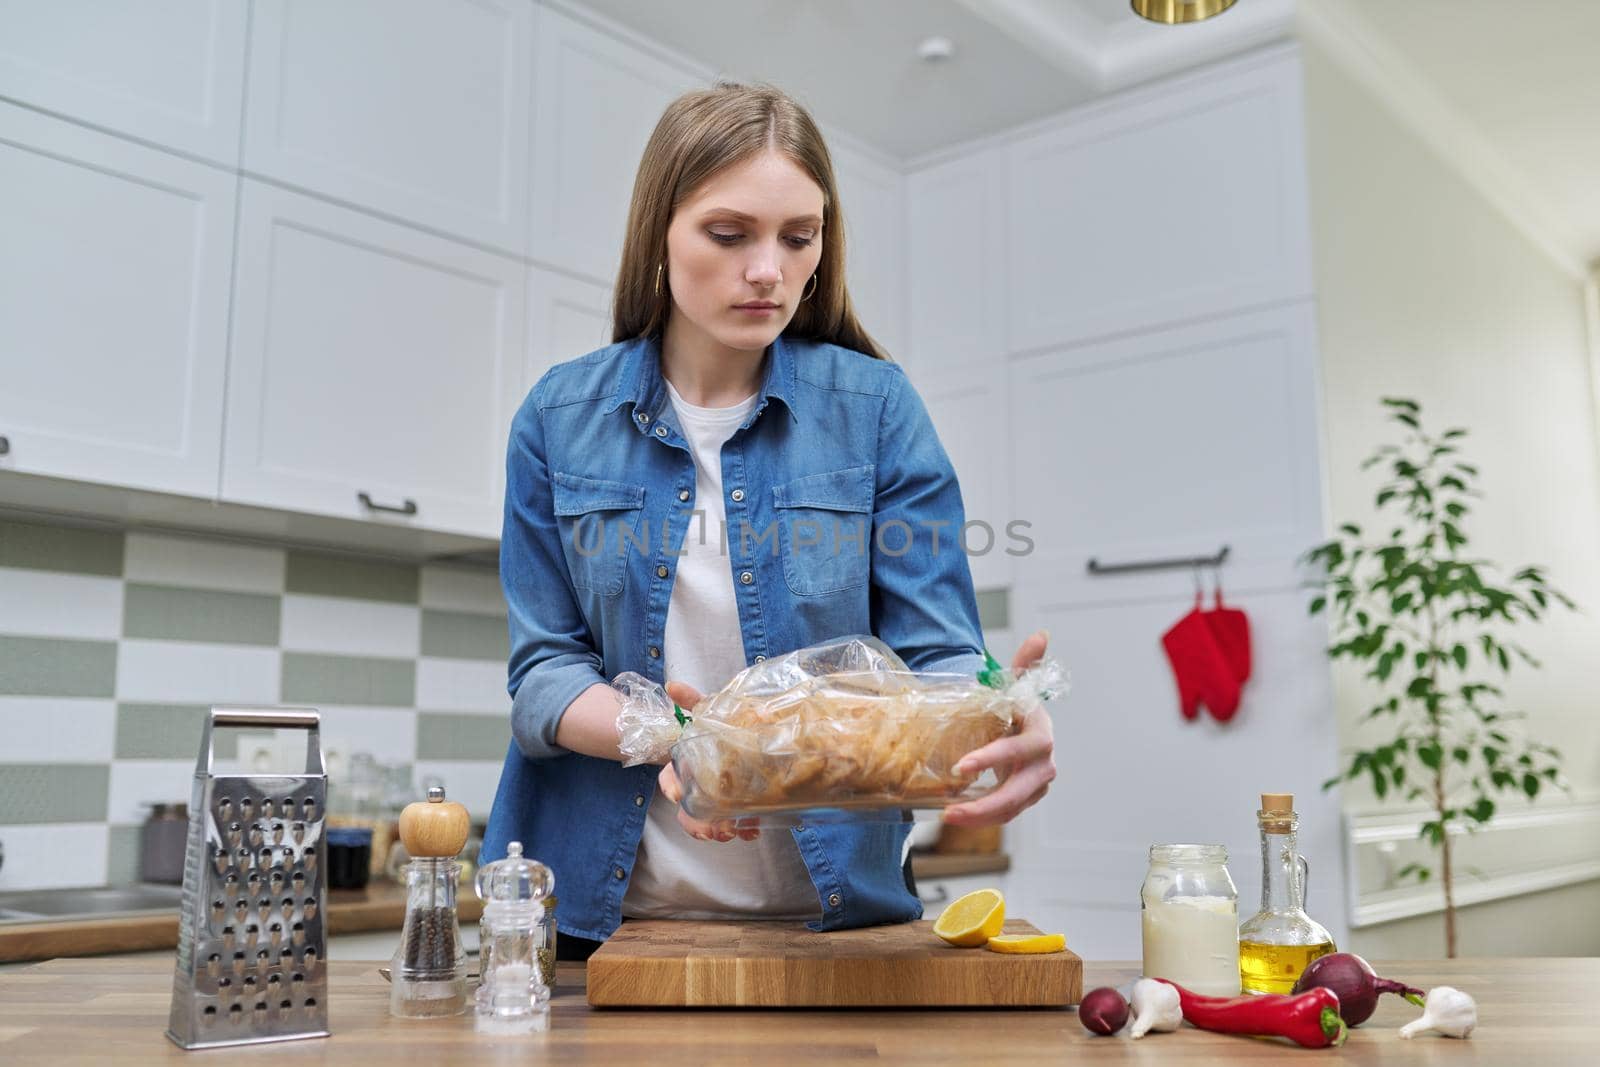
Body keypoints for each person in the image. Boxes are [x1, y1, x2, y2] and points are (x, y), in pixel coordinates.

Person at [481, 82, 1055, 960]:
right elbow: (542, 675)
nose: (769, 271)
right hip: (601, 930)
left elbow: (937, 652)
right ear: (659, 234)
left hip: (831, 926)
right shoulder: (558, 417)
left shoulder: (875, 409)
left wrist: (998, 716)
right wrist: (670, 737)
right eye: (729, 233)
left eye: (800, 237)